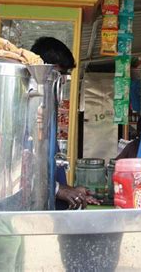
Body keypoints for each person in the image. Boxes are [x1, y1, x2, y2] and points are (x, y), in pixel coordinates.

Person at [31, 37, 98, 209]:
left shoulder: (48, 110)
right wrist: (60, 190)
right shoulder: (29, 110)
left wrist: (72, 190)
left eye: (64, 76)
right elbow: (23, 171)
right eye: (59, 75)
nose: (61, 82)